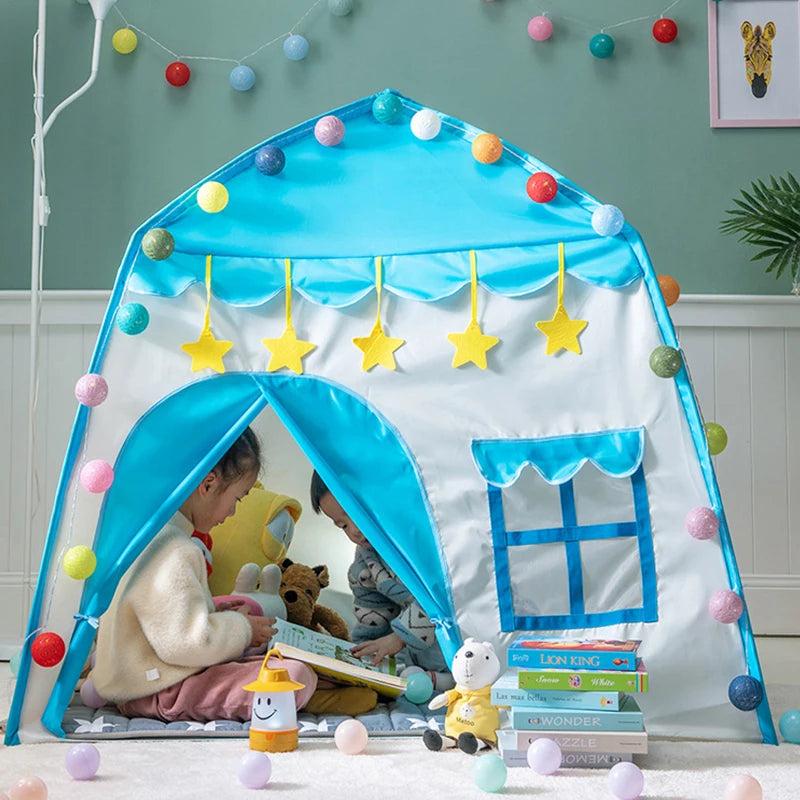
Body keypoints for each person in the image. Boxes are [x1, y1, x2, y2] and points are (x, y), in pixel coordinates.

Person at [92, 428, 371, 722]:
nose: (233, 512)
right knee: (293, 674)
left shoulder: (161, 538)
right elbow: (186, 644)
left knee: (274, 654)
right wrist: (242, 628)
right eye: (238, 498)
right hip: (155, 688)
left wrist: (218, 614)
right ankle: (315, 693)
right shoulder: (173, 549)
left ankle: (313, 682)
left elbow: (169, 622)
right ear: (208, 484)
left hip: (156, 675)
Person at [310, 470, 454, 691]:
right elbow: (372, 617)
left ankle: (448, 680)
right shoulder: (365, 563)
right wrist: (358, 656)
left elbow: (443, 594)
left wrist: (398, 637)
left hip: (457, 637)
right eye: (343, 525)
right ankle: (426, 678)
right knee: (405, 665)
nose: (355, 530)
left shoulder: (419, 538)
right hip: (419, 651)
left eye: (356, 512)